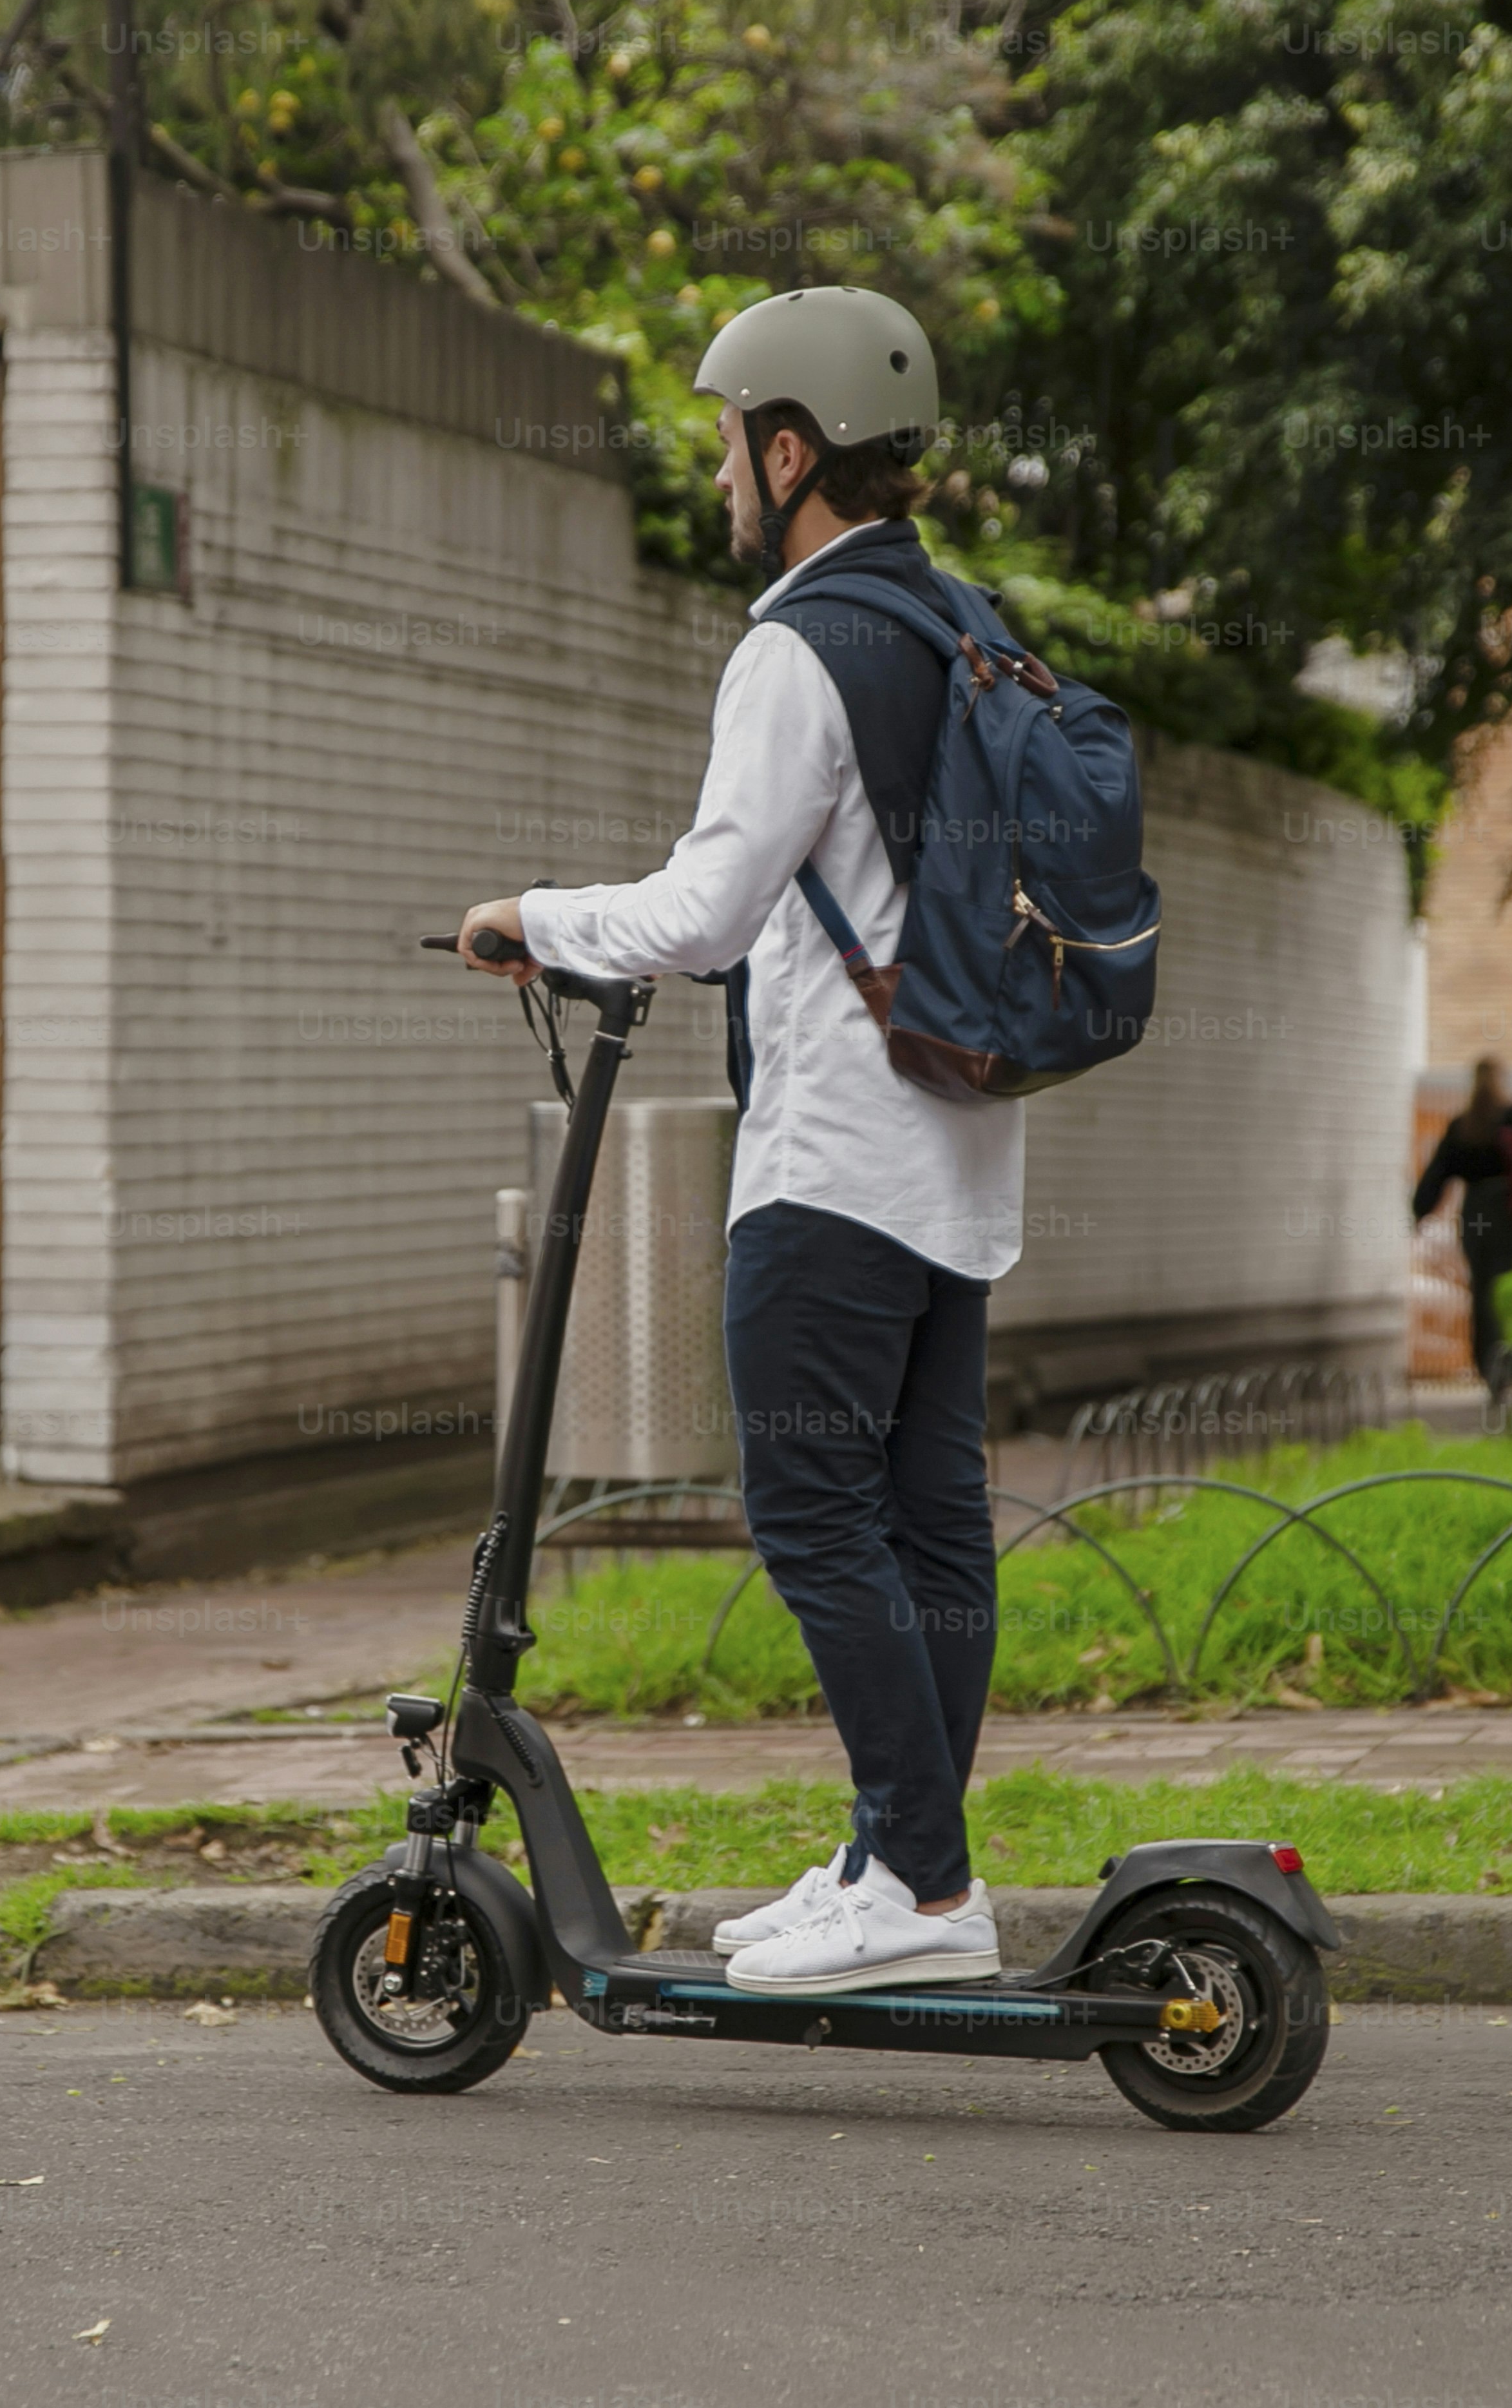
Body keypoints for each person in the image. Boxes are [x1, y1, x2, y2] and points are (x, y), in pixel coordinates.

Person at [445, 285, 1008, 1999]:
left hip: (833, 1161)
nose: (713, 477)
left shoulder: (798, 648)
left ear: (790, 451)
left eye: (725, 444)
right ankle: (895, 1861)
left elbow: (707, 909)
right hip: (959, 1157)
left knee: (814, 1516)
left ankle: (922, 1885)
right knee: (929, 1523)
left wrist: (531, 914)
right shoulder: (959, 624)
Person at [1413, 1057, 1512, 1410]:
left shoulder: (1462, 1125)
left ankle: (1494, 1373)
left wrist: (1420, 1211)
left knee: (1485, 1294)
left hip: (1476, 1216)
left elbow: (1437, 1174)